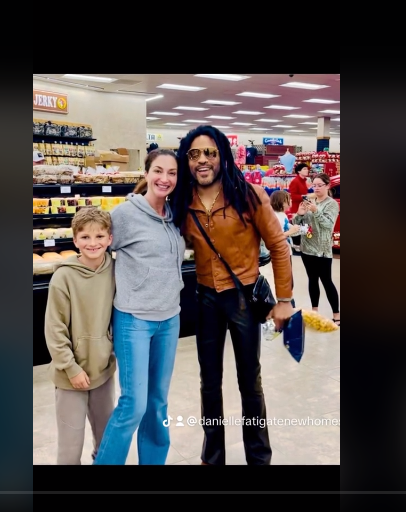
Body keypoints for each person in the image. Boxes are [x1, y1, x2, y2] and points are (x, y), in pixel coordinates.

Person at [170, 125, 294, 465]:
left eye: (210, 152)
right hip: (205, 297)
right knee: (209, 382)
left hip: (242, 297)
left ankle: (259, 457)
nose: (203, 160)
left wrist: (284, 299)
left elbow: (279, 248)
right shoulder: (183, 200)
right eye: (194, 154)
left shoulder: (248, 194)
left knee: (249, 381)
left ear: (223, 156)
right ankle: (213, 458)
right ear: (186, 161)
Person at [93, 149, 185, 465]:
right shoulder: (125, 214)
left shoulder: (174, 215)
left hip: (169, 318)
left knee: (158, 403)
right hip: (134, 319)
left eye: (172, 173)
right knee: (133, 404)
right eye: (158, 171)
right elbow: (98, 248)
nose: (165, 178)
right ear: (146, 173)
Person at [44, 207, 116, 465]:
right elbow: (54, 329)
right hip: (69, 376)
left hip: (103, 371)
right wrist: (71, 368)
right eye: (85, 237)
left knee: (106, 441)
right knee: (70, 448)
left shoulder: (115, 270)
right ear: (75, 240)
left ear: (110, 238)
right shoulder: (63, 277)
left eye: (99, 236)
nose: (93, 243)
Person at [292, 173, 340, 325]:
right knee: (312, 280)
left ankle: (337, 315)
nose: (317, 188)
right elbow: (298, 224)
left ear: (327, 186)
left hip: (323, 249)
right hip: (307, 248)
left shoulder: (331, 204)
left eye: (320, 185)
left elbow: (328, 225)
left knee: (326, 280)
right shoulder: (309, 200)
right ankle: (315, 312)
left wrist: (315, 211)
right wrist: (299, 215)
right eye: (314, 185)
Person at [270, 190, 301, 307]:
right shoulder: (276, 216)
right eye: (288, 199)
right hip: (281, 252)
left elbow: (288, 230)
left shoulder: (282, 215)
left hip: (286, 251)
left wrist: (295, 229)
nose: (291, 201)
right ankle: (288, 306)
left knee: (288, 280)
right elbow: (274, 236)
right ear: (281, 202)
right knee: (286, 280)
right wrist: (291, 231)